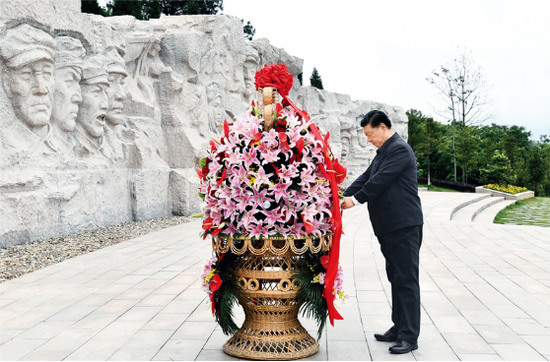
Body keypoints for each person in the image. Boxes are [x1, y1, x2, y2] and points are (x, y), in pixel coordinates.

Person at [342, 110, 423, 354]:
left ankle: (409, 336)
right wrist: (343, 195)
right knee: (396, 277)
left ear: (383, 127)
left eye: (370, 134)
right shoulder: (383, 152)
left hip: (404, 225)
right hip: (390, 227)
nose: (368, 139)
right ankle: (399, 328)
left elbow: (380, 181)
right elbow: (367, 177)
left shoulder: (398, 149)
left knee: (406, 279)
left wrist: (354, 201)